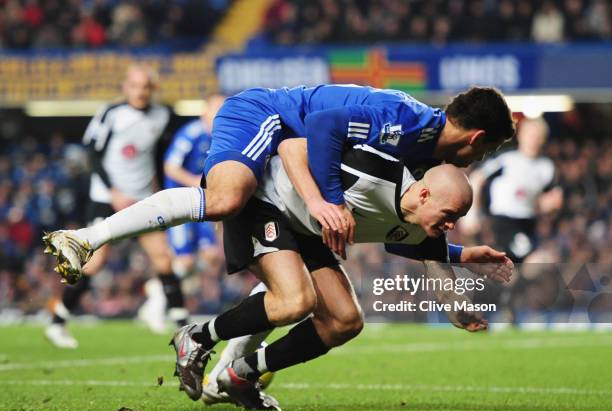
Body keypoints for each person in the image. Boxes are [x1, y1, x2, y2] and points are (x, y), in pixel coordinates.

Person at [43, 84, 515, 286]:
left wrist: (458, 259)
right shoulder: (405, 125)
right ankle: (85, 237)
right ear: (476, 138)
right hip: (265, 115)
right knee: (228, 198)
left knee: (304, 280)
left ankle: (232, 369)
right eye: (485, 152)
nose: (476, 161)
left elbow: (399, 234)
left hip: (289, 160)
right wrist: (329, 202)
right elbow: (325, 125)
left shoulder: (422, 160)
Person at [169, 141, 513, 410]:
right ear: (424, 194)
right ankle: (199, 336)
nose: (452, 225)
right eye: (450, 214)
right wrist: (318, 202)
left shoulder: (421, 220)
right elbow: (293, 148)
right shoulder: (372, 171)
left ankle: (240, 376)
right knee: (296, 301)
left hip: (309, 227)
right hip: (269, 199)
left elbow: (417, 249)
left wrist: (459, 283)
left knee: (346, 321)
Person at [44, 64, 188, 348]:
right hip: (107, 199)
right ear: (125, 87)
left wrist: (158, 185)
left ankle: (184, 329)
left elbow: (159, 154)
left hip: (144, 198)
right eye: (134, 86)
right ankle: (58, 322)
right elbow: (93, 154)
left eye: (145, 86)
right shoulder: (111, 113)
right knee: (94, 263)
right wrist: (113, 190)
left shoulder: (163, 115)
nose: (140, 92)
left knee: (163, 259)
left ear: (153, 89)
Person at [138, 97, 226, 332]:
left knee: (211, 256)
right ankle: (155, 305)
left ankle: (157, 289)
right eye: (216, 110)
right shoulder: (191, 133)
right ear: (205, 112)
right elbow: (170, 166)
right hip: (180, 203)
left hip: (202, 203)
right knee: (184, 259)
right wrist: (197, 183)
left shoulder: (220, 136)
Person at [463, 117, 563, 262]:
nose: (533, 140)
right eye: (530, 135)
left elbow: (551, 200)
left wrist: (549, 206)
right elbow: (477, 179)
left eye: (538, 136)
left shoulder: (547, 167)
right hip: (503, 221)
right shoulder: (507, 160)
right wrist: (472, 214)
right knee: (535, 260)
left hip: (529, 222)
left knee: (520, 268)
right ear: (521, 135)